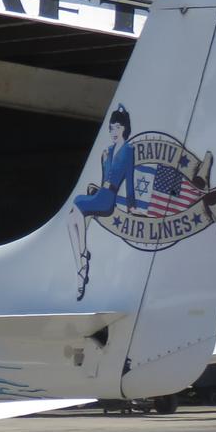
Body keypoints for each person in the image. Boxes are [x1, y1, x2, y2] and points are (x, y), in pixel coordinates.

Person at [66, 106, 138, 301]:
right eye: (111, 128)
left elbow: (129, 178)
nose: (113, 132)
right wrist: (104, 160)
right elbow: (103, 178)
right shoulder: (108, 151)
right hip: (101, 193)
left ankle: (83, 262)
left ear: (123, 128)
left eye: (116, 127)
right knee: (72, 217)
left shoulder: (129, 150)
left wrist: (132, 205)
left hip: (108, 199)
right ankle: (82, 265)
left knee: (78, 203)